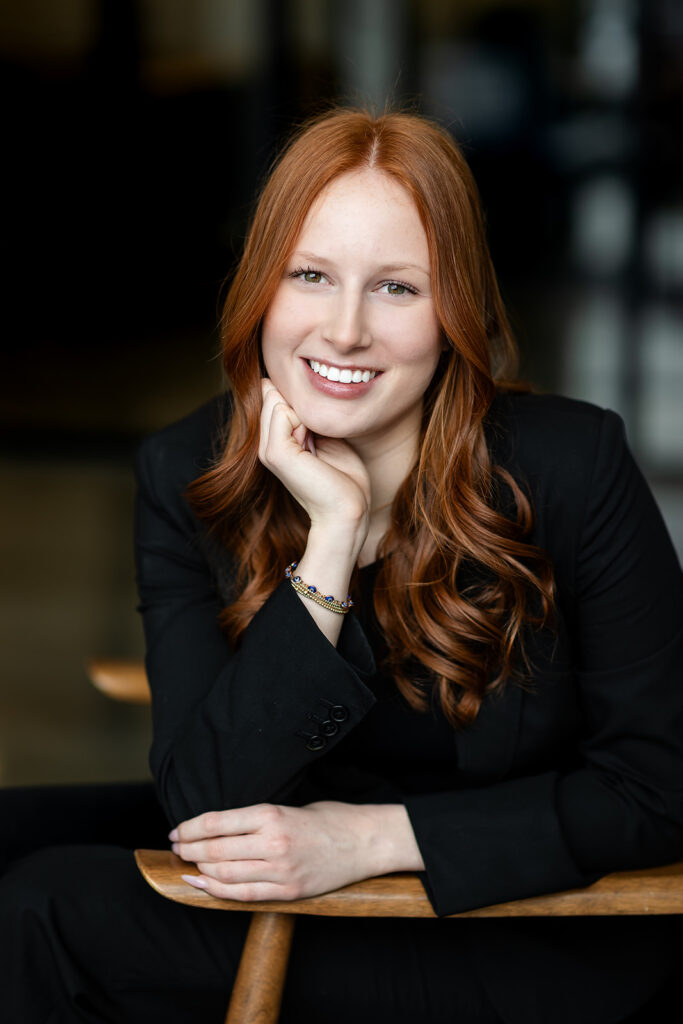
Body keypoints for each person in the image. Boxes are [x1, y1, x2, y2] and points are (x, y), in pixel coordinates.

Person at [1, 107, 682, 1024]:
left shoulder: (570, 465)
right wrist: (332, 534)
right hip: (301, 869)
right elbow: (208, 799)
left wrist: (367, 840)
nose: (345, 330)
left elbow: (657, 783)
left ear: (455, 313)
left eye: (397, 289)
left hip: (524, 918)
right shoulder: (186, 471)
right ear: (261, 288)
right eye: (311, 276)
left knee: (43, 908)